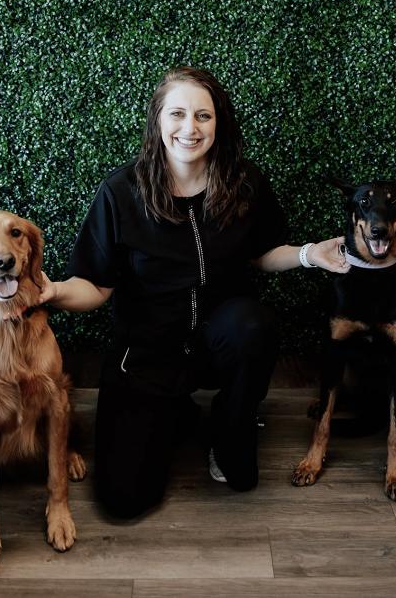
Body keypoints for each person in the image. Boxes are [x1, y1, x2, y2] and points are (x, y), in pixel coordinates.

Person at [40, 66, 349, 518]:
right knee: (125, 502)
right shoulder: (120, 192)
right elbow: (95, 285)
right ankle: (173, 413)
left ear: (218, 122)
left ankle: (232, 424)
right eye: (178, 114)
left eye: (203, 116)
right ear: (157, 121)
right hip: (146, 354)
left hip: (217, 340)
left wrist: (308, 254)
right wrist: (52, 292)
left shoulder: (243, 182)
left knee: (252, 326)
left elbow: (261, 254)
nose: (190, 128)